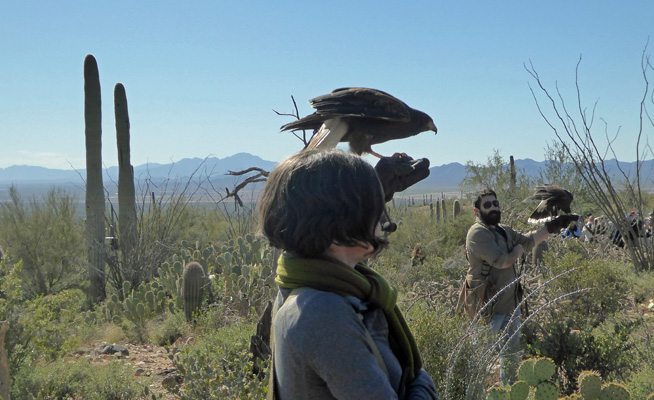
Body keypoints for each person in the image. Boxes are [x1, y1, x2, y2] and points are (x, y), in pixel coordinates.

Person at [259, 149, 438, 400]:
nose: (381, 214)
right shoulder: (323, 312)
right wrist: (422, 381)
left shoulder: (305, 283)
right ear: (338, 221)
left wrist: (369, 185)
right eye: (370, 204)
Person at [464, 188, 575, 384]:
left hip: (510, 304)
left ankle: (508, 392)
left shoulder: (503, 230)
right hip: (486, 308)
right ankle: (474, 395)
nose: (493, 208)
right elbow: (503, 261)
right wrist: (517, 251)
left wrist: (554, 226)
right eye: (487, 205)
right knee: (479, 360)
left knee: (511, 355)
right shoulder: (477, 233)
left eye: (495, 204)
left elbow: (529, 240)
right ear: (477, 211)